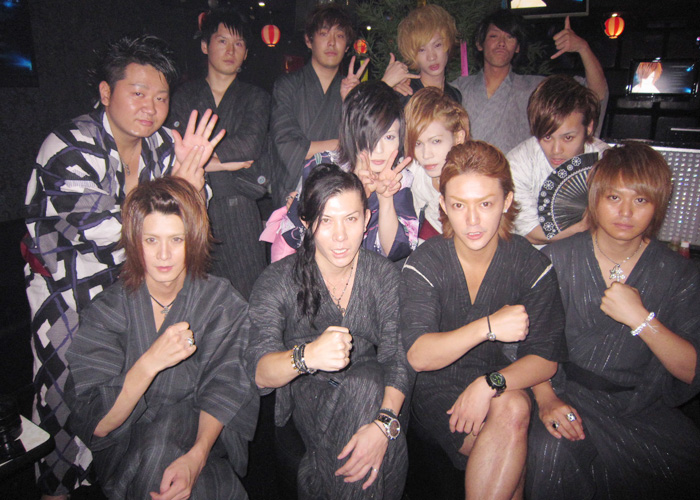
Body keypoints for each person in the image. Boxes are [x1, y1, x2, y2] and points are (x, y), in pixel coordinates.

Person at [22, 35, 223, 499]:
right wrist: (179, 189)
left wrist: (191, 184)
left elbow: (193, 213)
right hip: (69, 298)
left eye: (161, 97)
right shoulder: (68, 147)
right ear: (105, 92)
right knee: (65, 400)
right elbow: (108, 230)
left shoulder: (160, 146)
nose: (151, 108)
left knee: (130, 393)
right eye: (138, 93)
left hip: (134, 294)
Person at [65, 176, 258, 499]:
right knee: (158, 450)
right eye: (151, 240)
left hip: (202, 441)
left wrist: (196, 458)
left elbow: (226, 388)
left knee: (169, 452)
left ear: (193, 240)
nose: (164, 255)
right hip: (130, 447)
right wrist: (149, 364)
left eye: (176, 239)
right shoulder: (108, 310)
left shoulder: (220, 301)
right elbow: (97, 424)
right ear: (134, 241)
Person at [527, 143, 700, 500]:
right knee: (551, 451)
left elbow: (691, 370)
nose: (625, 212)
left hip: (641, 408)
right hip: (565, 395)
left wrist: (641, 319)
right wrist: (545, 399)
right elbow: (527, 341)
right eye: (614, 197)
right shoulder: (556, 259)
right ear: (595, 199)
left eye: (640, 200)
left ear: (657, 205)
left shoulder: (679, 274)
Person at [401, 141, 566, 499]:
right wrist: (488, 327)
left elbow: (545, 358)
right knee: (513, 431)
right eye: (459, 205)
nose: (472, 220)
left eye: (486, 204)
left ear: (507, 201)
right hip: (438, 388)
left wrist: (489, 384)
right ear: (443, 204)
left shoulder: (531, 265)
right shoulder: (426, 263)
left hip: (507, 381)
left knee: (513, 406)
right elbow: (419, 355)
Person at [247, 164, 410, 499]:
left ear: (366, 220)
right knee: (368, 386)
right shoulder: (278, 280)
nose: (340, 236)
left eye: (350, 219)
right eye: (326, 221)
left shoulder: (382, 276)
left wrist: (383, 425)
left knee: (367, 383)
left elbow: (398, 357)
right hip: (310, 392)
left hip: (377, 395)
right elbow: (259, 373)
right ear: (307, 224)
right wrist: (307, 356)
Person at [169, 7, 270, 299]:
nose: (230, 50)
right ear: (205, 45)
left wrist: (194, 162)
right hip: (191, 209)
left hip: (240, 213)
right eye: (222, 41)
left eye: (239, 44)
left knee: (248, 298)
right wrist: (225, 165)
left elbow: (249, 147)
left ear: (246, 53)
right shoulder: (183, 96)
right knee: (195, 299)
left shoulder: (257, 97)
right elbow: (172, 152)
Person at [275, 81, 417, 262]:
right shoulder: (321, 164)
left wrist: (385, 198)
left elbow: (396, 251)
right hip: (320, 271)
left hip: (373, 275)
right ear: (351, 132)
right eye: (369, 137)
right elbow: (295, 234)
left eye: (389, 137)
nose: (379, 150)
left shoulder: (398, 177)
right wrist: (354, 189)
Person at [451, 9, 608, 154]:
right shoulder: (460, 88)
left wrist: (583, 48)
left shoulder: (535, 88)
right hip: (467, 172)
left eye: (510, 37)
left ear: (518, 47)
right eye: (494, 36)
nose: (501, 43)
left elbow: (595, 94)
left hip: (517, 173)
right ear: (480, 43)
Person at [265, 3, 366, 206]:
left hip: (338, 195)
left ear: (347, 46)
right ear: (308, 40)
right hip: (293, 196)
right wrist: (343, 144)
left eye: (339, 36)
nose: (332, 43)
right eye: (324, 34)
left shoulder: (353, 92)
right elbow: (287, 146)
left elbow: (363, 144)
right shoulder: (287, 86)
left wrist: (351, 102)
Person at [508, 75, 609, 245]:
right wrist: (581, 227)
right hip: (532, 253)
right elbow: (530, 233)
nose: (556, 150)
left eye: (568, 138)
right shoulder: (518, 163)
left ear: (589, 127)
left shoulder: (606, 161)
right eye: (547, 137)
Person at [404, 87, 469, 243]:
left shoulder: (477, 179)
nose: (426, 154)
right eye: (418, 143)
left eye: (436, 141)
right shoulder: (414, 171)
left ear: (458, 137)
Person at [382, 4, 461, 106]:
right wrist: (385, 85)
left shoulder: (455, 95)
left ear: (448, 43)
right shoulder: (406, 93)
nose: (432, 57)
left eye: (437, 45)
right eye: (422, 50)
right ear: (412, 53)